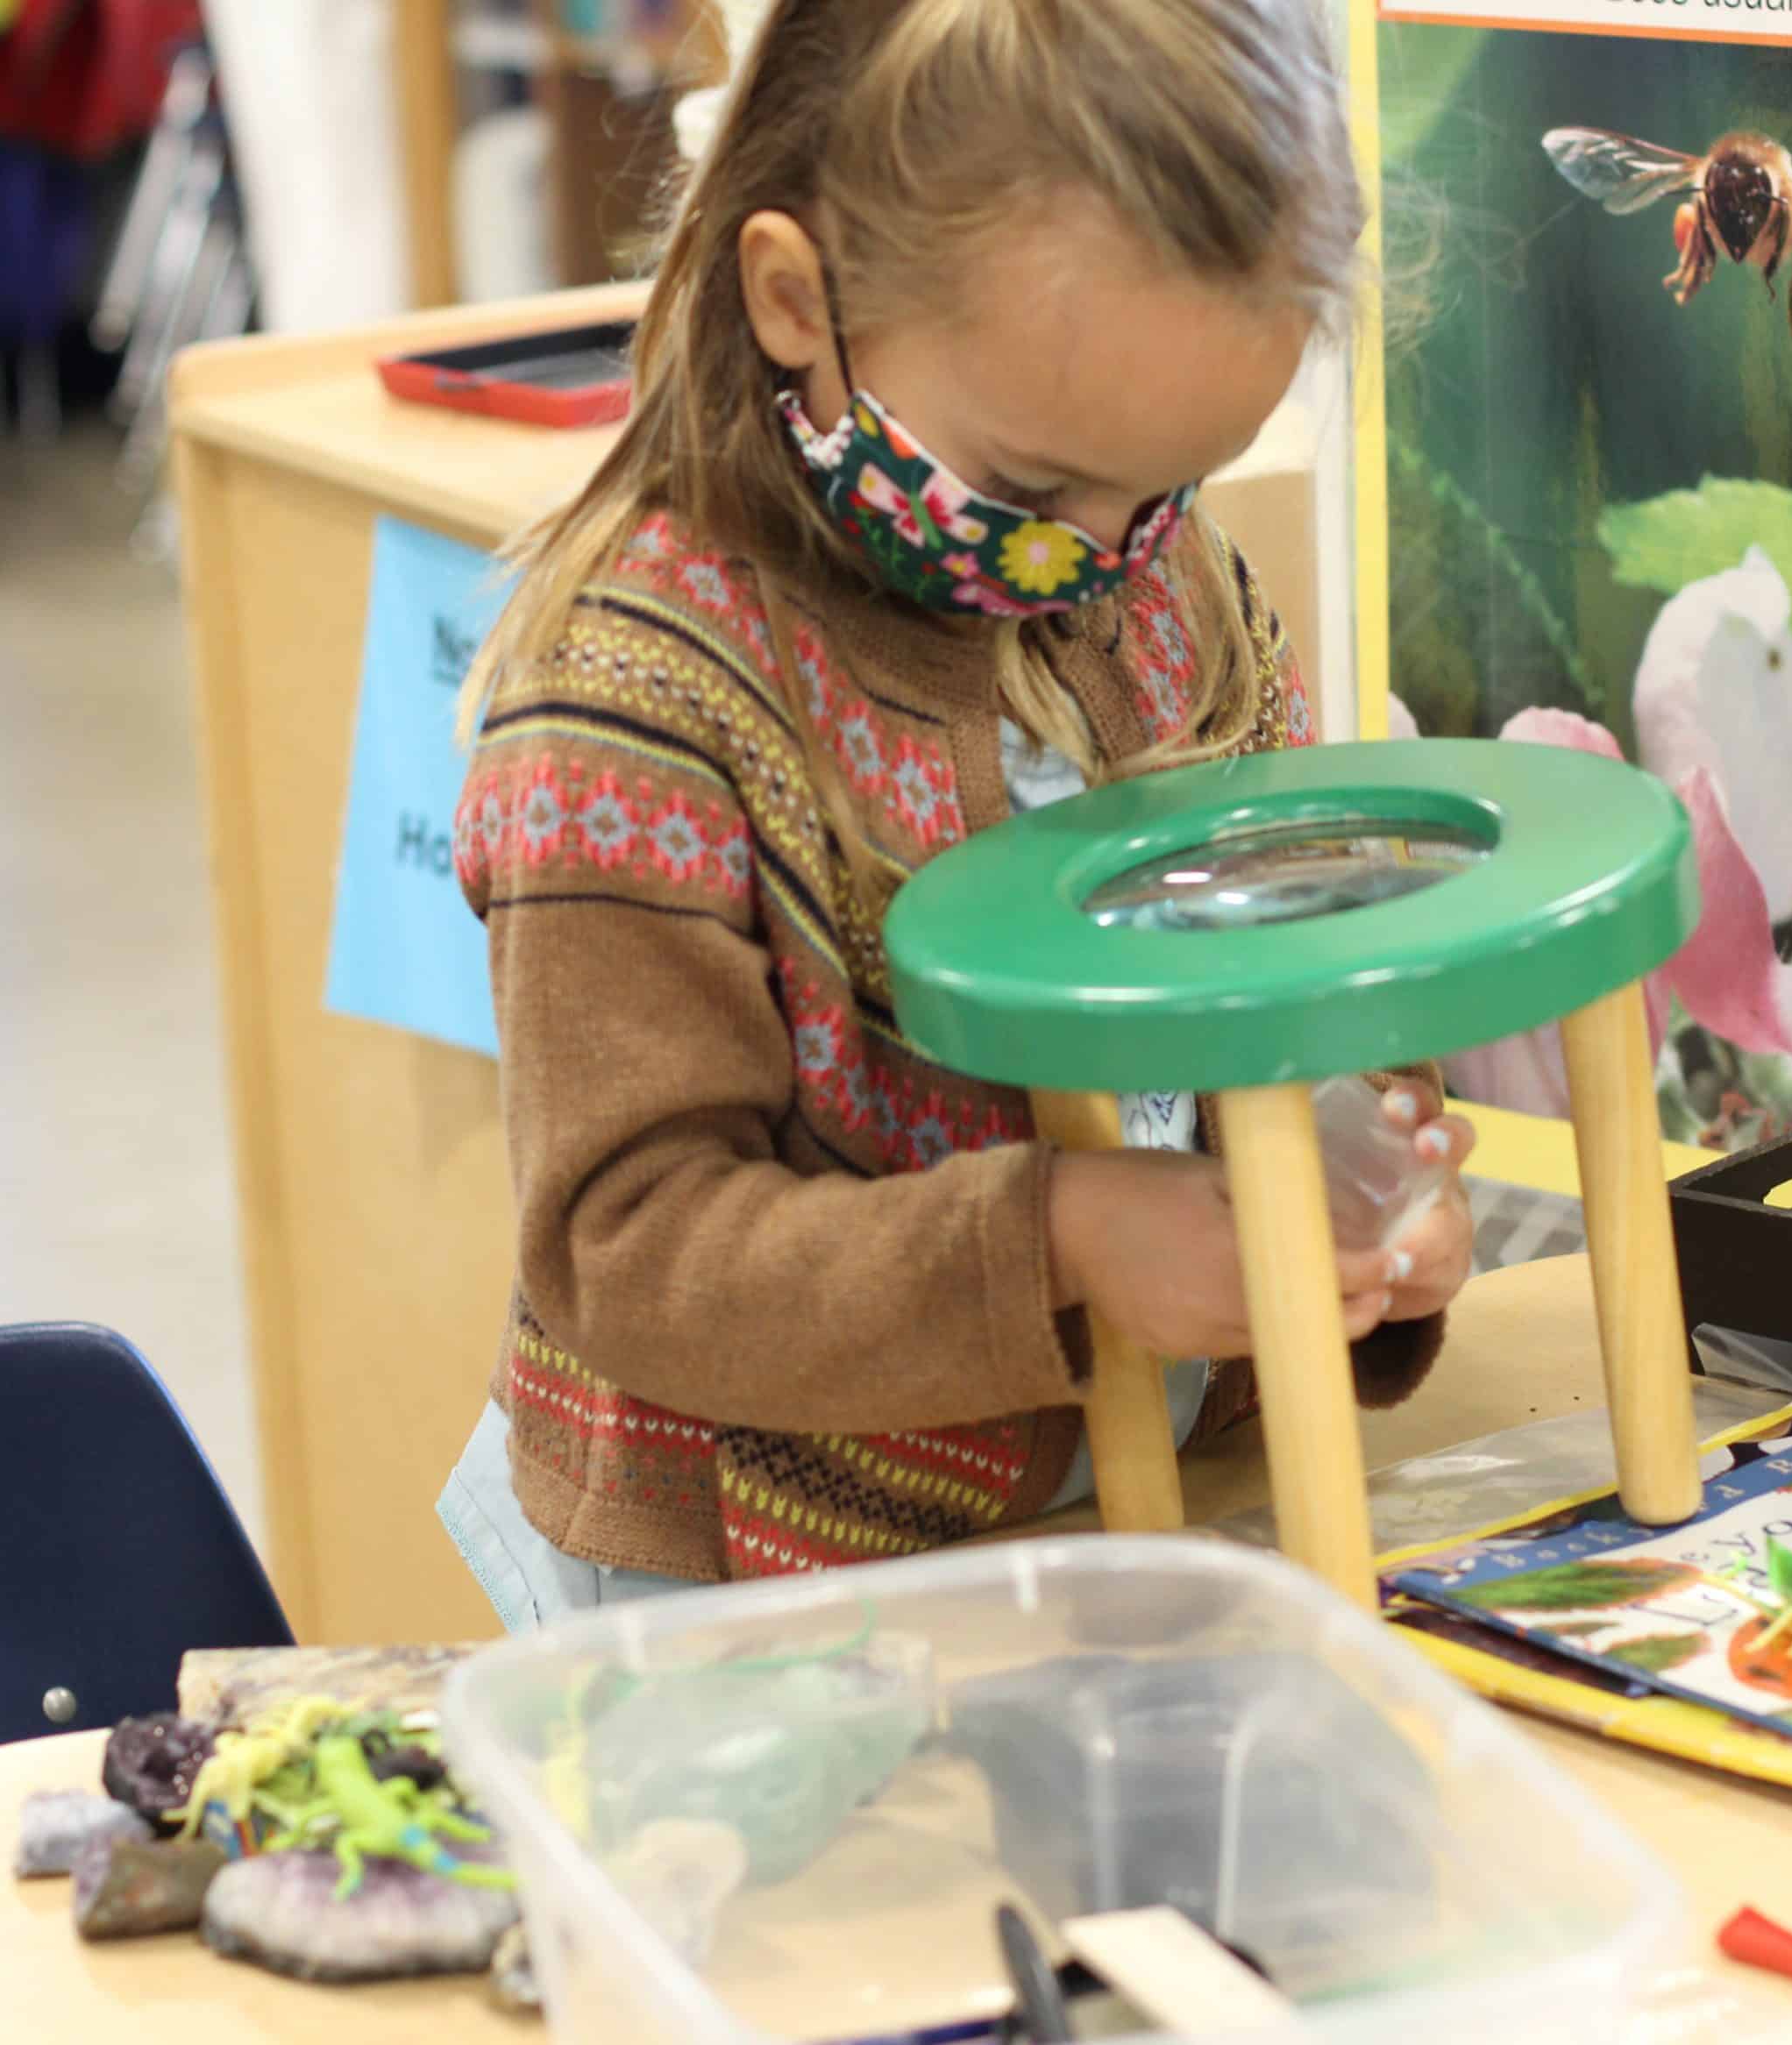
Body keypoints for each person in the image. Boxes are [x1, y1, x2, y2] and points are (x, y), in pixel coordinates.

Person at [437, 0, 1479, 1629]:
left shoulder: (1157, 583)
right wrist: (1061, 1236)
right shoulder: (629, 701)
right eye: (1036, 491)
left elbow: (1284, 954)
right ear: (798, 300)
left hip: (1135, 1505)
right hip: (753, 1610)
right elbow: (630, 1248)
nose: (1102, 557)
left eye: (1168, 490)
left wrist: (1362, 1183)